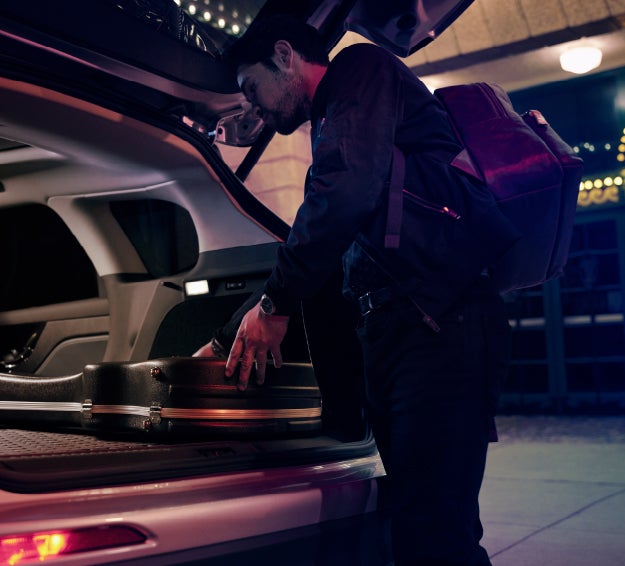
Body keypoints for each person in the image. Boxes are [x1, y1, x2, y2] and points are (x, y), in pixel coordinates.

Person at [198, 14, 515, 566]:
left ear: (284, 55)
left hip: (441, 324)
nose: (254, 108)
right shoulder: (334, 122)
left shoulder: (360, 70)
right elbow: (324, 244)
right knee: (421, 522)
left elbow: (341, 198)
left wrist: (274, 304)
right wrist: (229, 337)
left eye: (252, 88)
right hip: (402, 333)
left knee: (433, 532)